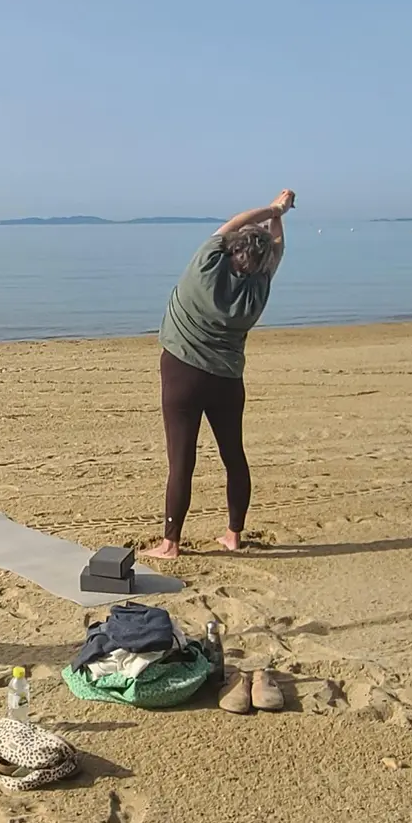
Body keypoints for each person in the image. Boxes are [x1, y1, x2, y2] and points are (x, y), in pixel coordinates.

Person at [141, 189, 296, 561]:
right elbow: (277, 249)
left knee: (182, 460)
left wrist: (274, 208)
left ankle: (170, 543)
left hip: (182, 373)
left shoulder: (207, 264)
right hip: (226, 380)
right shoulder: (259, 287)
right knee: (233, 455)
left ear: (232, 250)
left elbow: (235, 222)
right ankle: (232, 534)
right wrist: (280, 218)